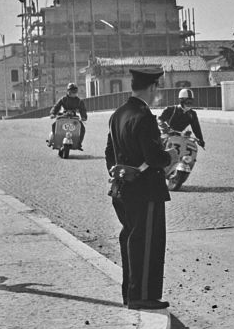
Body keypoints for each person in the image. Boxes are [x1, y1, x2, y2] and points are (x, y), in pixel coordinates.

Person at [104, 67, 173, 310]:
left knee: (130, 239)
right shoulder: (144, 116)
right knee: (146, 242)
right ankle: (142, 296)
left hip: (122, 189)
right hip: (146, 190)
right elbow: (154, 157)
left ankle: (130, 293)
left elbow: (109, 152)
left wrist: (119, 171)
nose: (159, 93)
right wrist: (170, 156)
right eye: (159, 87)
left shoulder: (118, 114)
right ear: (152, 86)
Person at [48, 83, 88, 149]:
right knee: (54, 125)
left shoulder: (79, 101)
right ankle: (54, 140)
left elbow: (83, 109)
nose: (74, 93)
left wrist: (84, 117)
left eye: (75, 91)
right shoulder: (63, 99)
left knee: (82, 128)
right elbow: (57, 106)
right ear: (68, 91)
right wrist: (53, 113)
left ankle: (78, 143)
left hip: (74, 117)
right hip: (63, 116)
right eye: (72, 92)